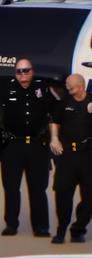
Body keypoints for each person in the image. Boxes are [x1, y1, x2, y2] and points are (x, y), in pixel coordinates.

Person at [48, 73, 92, 244]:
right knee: (62, 193)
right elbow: (55, 121)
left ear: (81, 86)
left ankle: (78, 229)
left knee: (88, 196)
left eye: (71, 87)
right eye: (67, 87)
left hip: (87, 155)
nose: (68, 90)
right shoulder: (65, 102)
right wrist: (54, 138)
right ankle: (61, 230)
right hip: (67, 154)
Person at [1, 59, 59, 237]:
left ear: (32, 71)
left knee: (38, 189)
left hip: (36, 145)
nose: (23, 74)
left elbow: (57, 114)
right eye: (19, 71)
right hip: (12, 146)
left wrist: (55, 138)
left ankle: (41, 226)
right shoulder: (4, 88)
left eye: (26, 70)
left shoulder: (44, 89)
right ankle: (11, 224)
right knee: (11, 188)